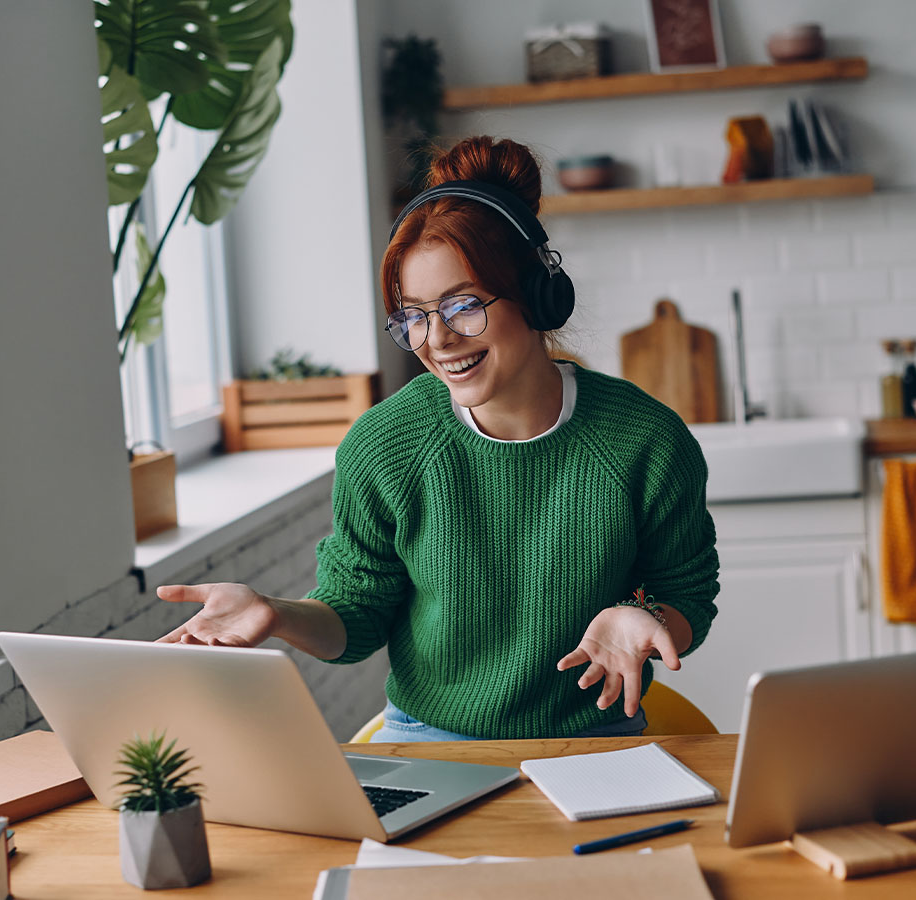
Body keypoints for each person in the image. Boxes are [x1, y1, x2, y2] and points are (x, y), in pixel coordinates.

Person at [157, 135, 719, 741]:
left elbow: (687, 592)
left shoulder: (644, 440)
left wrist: (644, 615)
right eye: (414, 315)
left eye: (463, 306)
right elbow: (357, 616)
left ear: (538, 294)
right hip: (428, 740)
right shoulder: (386, 444)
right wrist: (278, 615)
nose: (438, 339)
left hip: (592, 738)